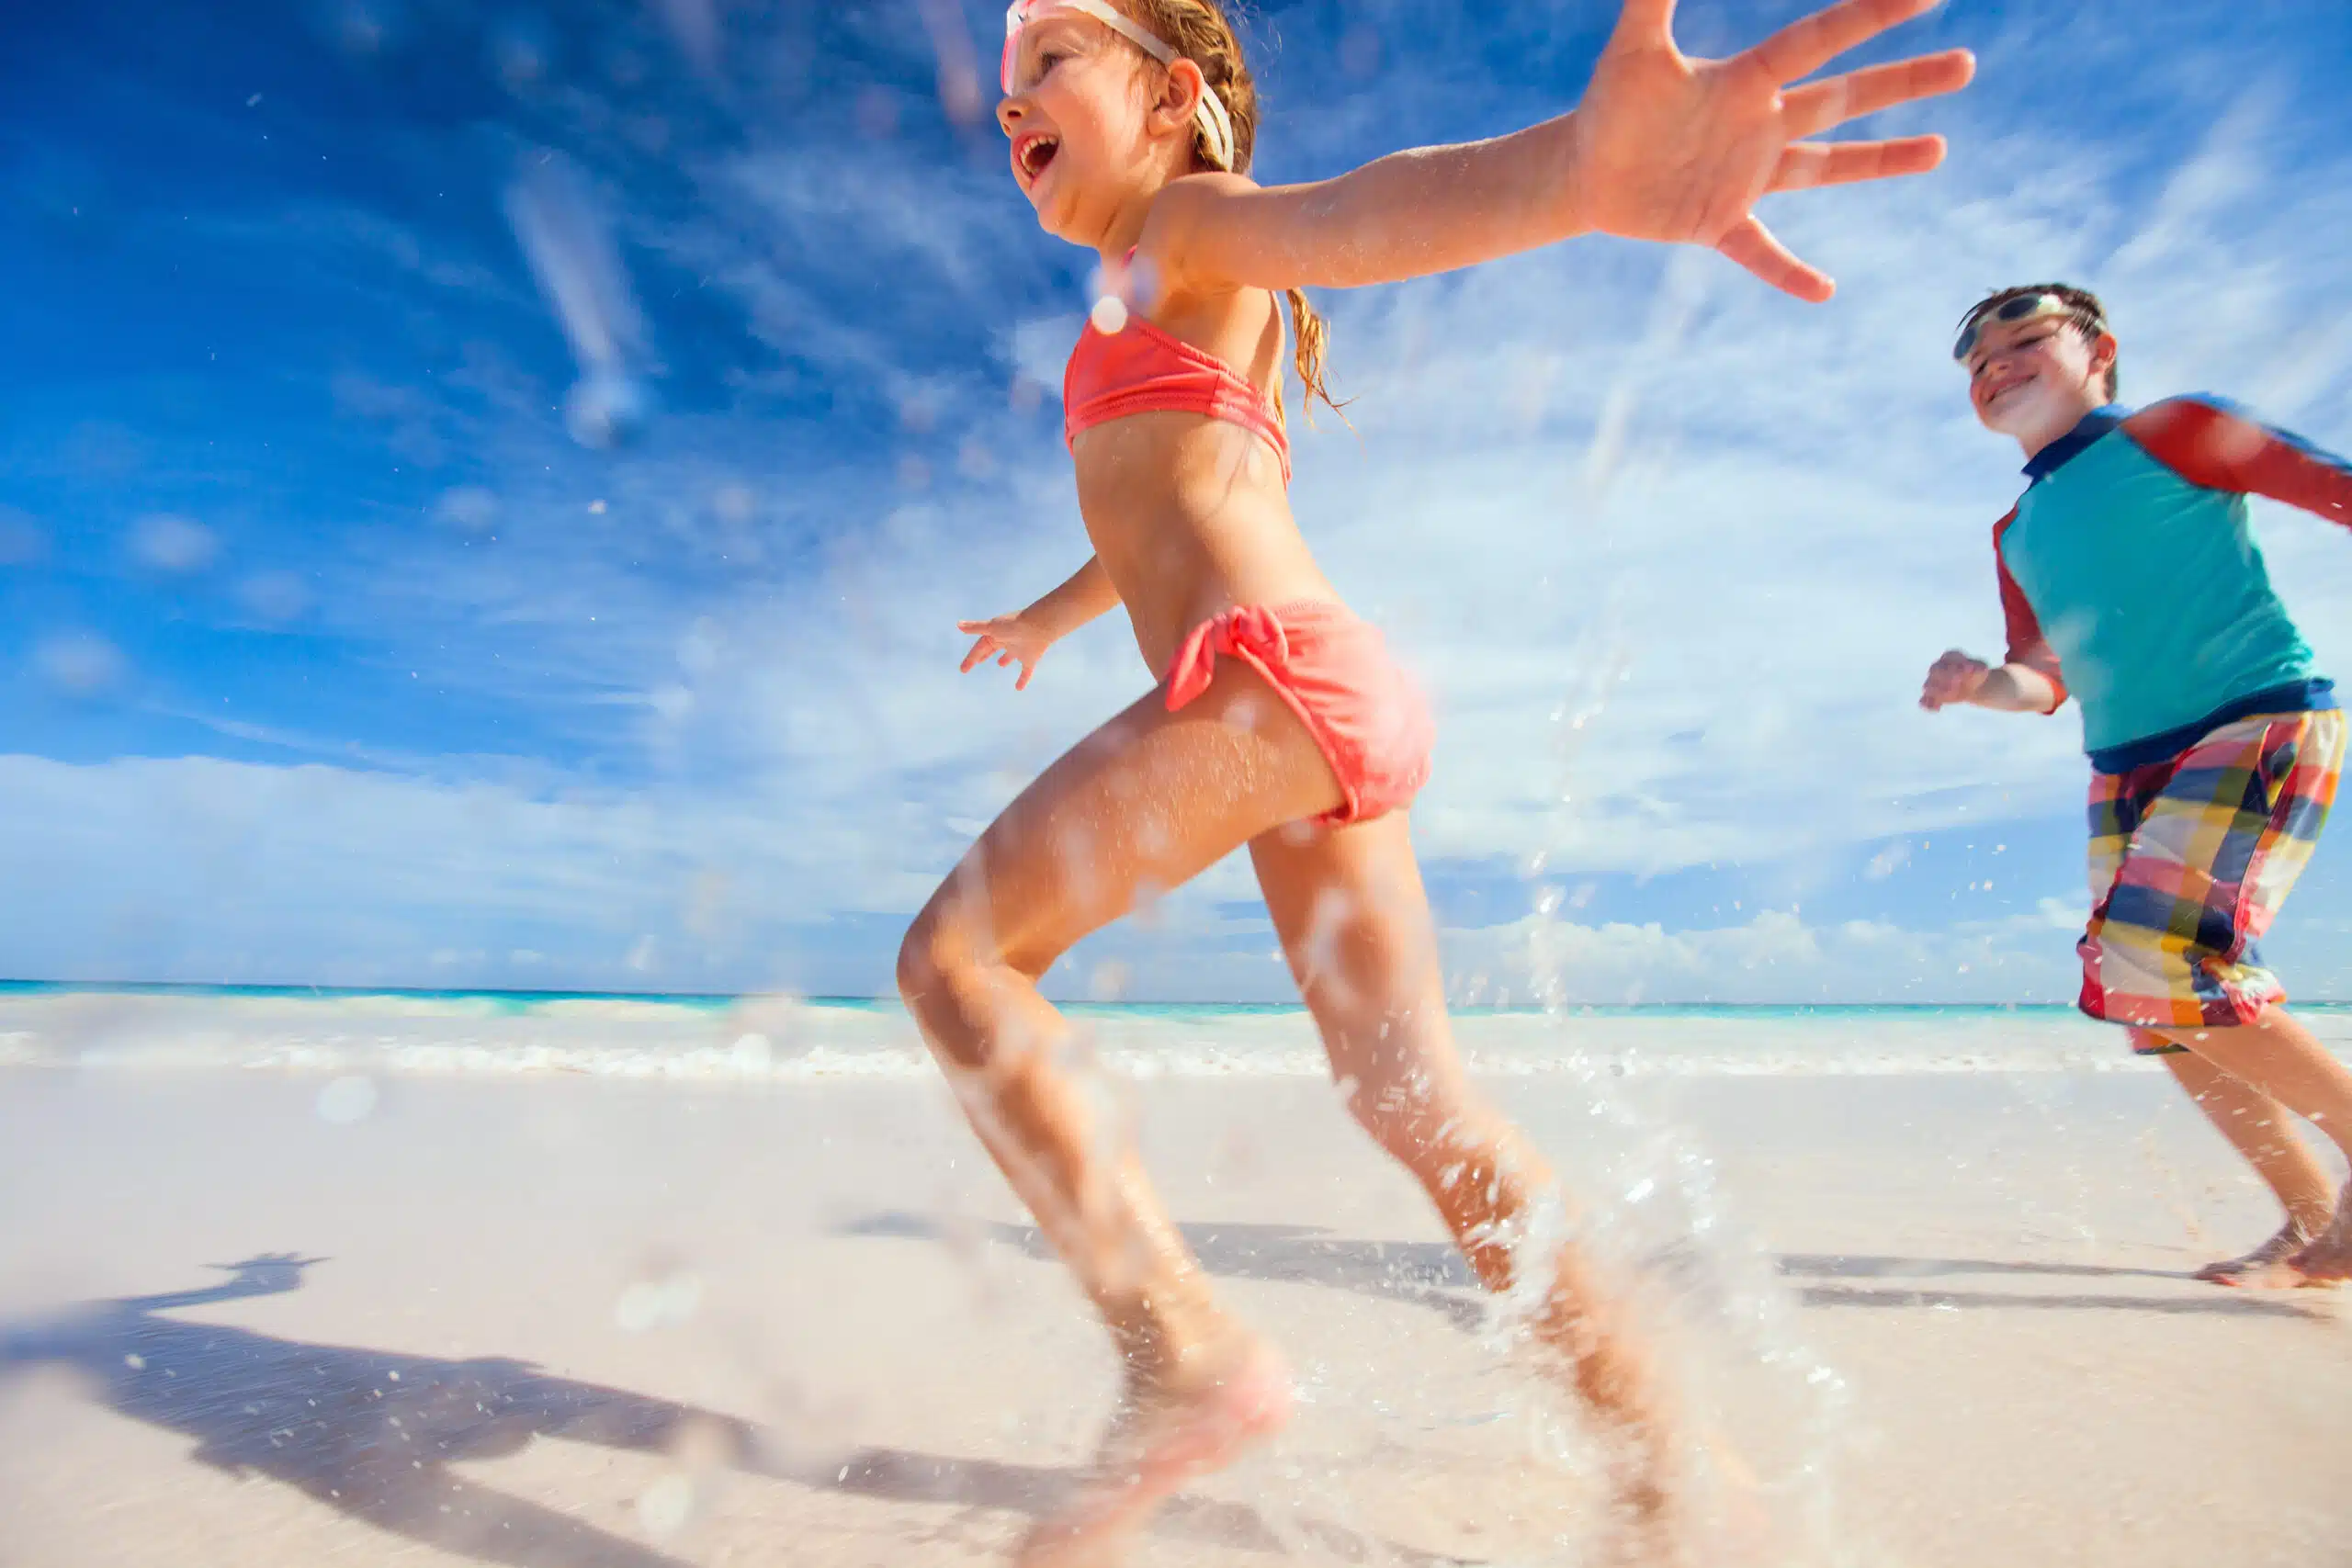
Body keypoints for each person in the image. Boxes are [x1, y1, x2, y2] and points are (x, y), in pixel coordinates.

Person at [897, 1, 1974, 1559]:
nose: (1013, 104)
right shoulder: (1150, 302)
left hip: (1262, 681)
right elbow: (1164, 496)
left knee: (957, 961)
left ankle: (1178, 1347)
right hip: (1320, 691)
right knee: (1415, 1099)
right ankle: (1670, 1465)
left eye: (1050, 57)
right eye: (1005, 88)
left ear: (1174, 97)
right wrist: (1051, 617)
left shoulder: (1193, 225)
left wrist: (1574, 172)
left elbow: (1358, 216)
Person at [1922, 282, 2352, 1290]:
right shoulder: (2018, 529)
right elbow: (2045, 676)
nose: (1995, 366)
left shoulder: (2172, 431)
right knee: (2153, 1003)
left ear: (2099, 350)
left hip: (2254, 720)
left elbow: (2334, 486)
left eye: (2025, 339)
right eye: (1977, 362)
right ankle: (2306, 1220)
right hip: (2125, 767)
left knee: (2158, 953)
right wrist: (1984, 685)